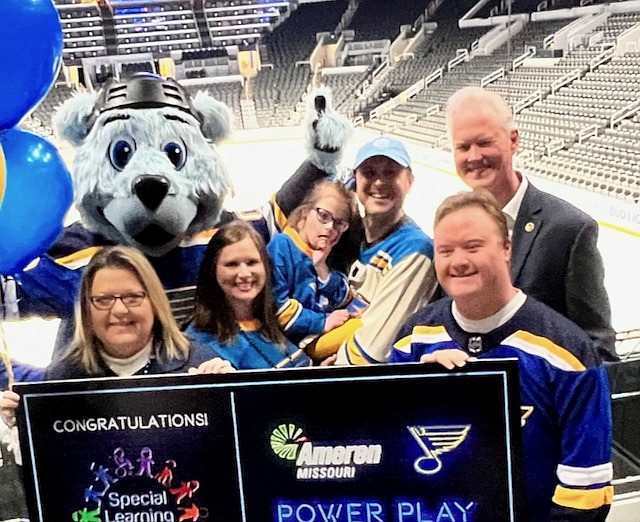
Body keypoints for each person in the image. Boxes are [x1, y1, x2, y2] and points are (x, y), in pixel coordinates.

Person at [391, 190, 613, 522]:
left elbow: (586, 492)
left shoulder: (568, 353)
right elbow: (386, 454)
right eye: (445, 250)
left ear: (507, 248)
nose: (458, 261)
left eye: (473, 247)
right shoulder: (413, 340)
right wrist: (419, 394)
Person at [445, 86, 617, 360]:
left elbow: (598, 347)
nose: (474, 156)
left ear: (513, 140)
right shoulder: (450, 234)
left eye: (484, 142)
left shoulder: (569, 229)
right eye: (463, 147)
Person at [307, 136, 438, 365]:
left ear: (409, 181)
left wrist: (316, 369)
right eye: (369, 172)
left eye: (390, 173)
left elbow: (373, 351)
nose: (378, 183)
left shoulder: (415, 251)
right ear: (355, 180)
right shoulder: (345, 235)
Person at [186, 221, 313, 370]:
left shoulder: (271, 321)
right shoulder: (199, 344)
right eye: (232, 264)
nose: (245, 274)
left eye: (252, 262)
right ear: (212, 271)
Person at [267, 180, 355, 347]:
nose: (330, 227)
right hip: (294, 341)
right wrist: (323, 322)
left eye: (339, 223)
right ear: (306, 211)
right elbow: (278, 310)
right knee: (362, 331)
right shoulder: (282, 246)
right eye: (324, 216)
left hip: (321, 333)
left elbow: (344, 296)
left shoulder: (328, 252)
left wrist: (322, 268)